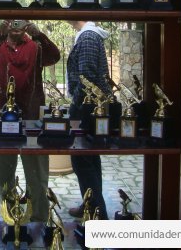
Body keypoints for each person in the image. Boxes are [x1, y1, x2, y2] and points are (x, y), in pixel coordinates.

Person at [0, 19, 61, 222]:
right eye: (11, 22)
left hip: (31, 118)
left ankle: (39, 218)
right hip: (1, 118)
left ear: (27, 24)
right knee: (3, 171)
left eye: (19, 22)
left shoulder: (36, 47)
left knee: (37, 172)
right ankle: (10, 215)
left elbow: (54, 56)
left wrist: (38, 34)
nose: (15, 26)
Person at [66, 20, 110, 219]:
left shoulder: (88, 37)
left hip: (87, 109)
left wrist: (75, 107)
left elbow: (87, 78)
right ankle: (90, 204)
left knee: (82, 160)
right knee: (88, 158)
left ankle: (97, 214)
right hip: (89, 108)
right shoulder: (87, 36)